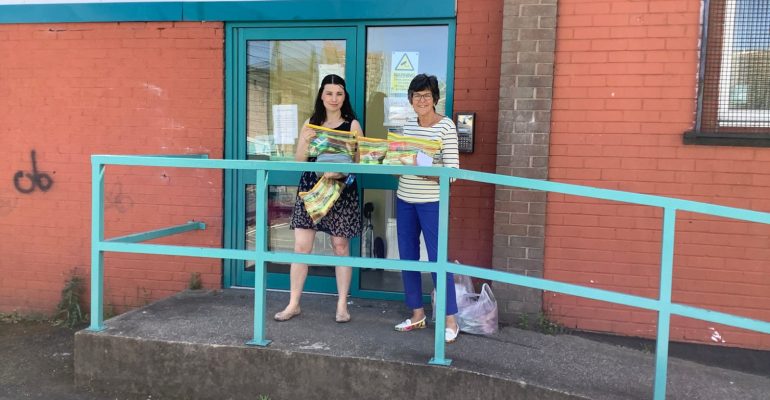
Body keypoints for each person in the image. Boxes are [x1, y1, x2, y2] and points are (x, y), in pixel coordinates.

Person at [274, 74, 363, 323]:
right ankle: (293, 303)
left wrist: (346, 165)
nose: (334, 98)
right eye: (329, 93)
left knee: (340, 247)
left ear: (344, 97)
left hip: (341, 191)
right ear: (321, 96)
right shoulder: (310, 123)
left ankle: (342, 305)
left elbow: (360, 164)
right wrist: (305, 140)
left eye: (339, 93)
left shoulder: (353, 125)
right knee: (301, 247)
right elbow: (299, 162)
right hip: (312, 189)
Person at [393, 74, 461, 343]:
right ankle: (417, 314)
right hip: (405, 199)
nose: (421, 100)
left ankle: (450, 319)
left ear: (435, 99)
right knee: (408, 258)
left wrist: (423, 169)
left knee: (437, 260)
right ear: (410, 99)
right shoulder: (407, 124)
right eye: (416, 95)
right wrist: (394, 162)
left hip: (432, 202)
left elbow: (453, 173)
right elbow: (400, 159)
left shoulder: (446, 127)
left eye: (426, 95)